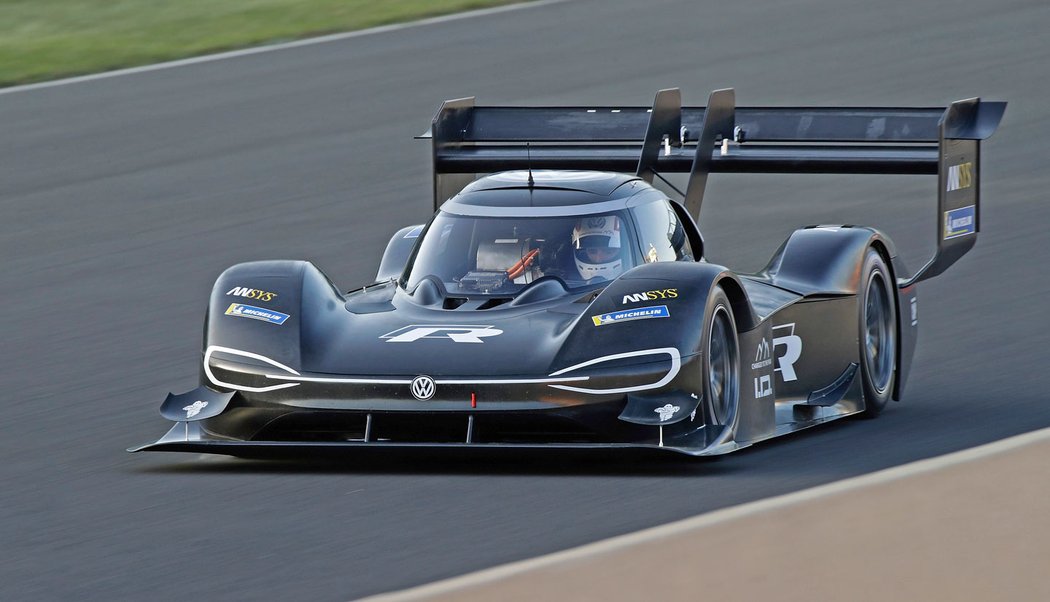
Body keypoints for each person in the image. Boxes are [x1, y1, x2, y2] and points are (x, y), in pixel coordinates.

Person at [571, 215, 624, 280]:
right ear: (583, 252)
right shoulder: (568, 281)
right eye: (592, 251)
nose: (598, 259)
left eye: (608, 252)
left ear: (623, 252)